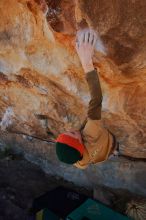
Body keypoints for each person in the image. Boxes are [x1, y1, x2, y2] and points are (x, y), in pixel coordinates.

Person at [55, 29, 118, 169]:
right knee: (87, 121)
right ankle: (111, 146)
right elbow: (96, 99)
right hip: (110, 140)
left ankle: (112, 152)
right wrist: (86, 63)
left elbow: (74, 157)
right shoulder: (91, 132)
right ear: (81, 144)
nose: (70, 129)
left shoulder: (79, 162)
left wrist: (73, 136)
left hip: (103, 153)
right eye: (72, 133)